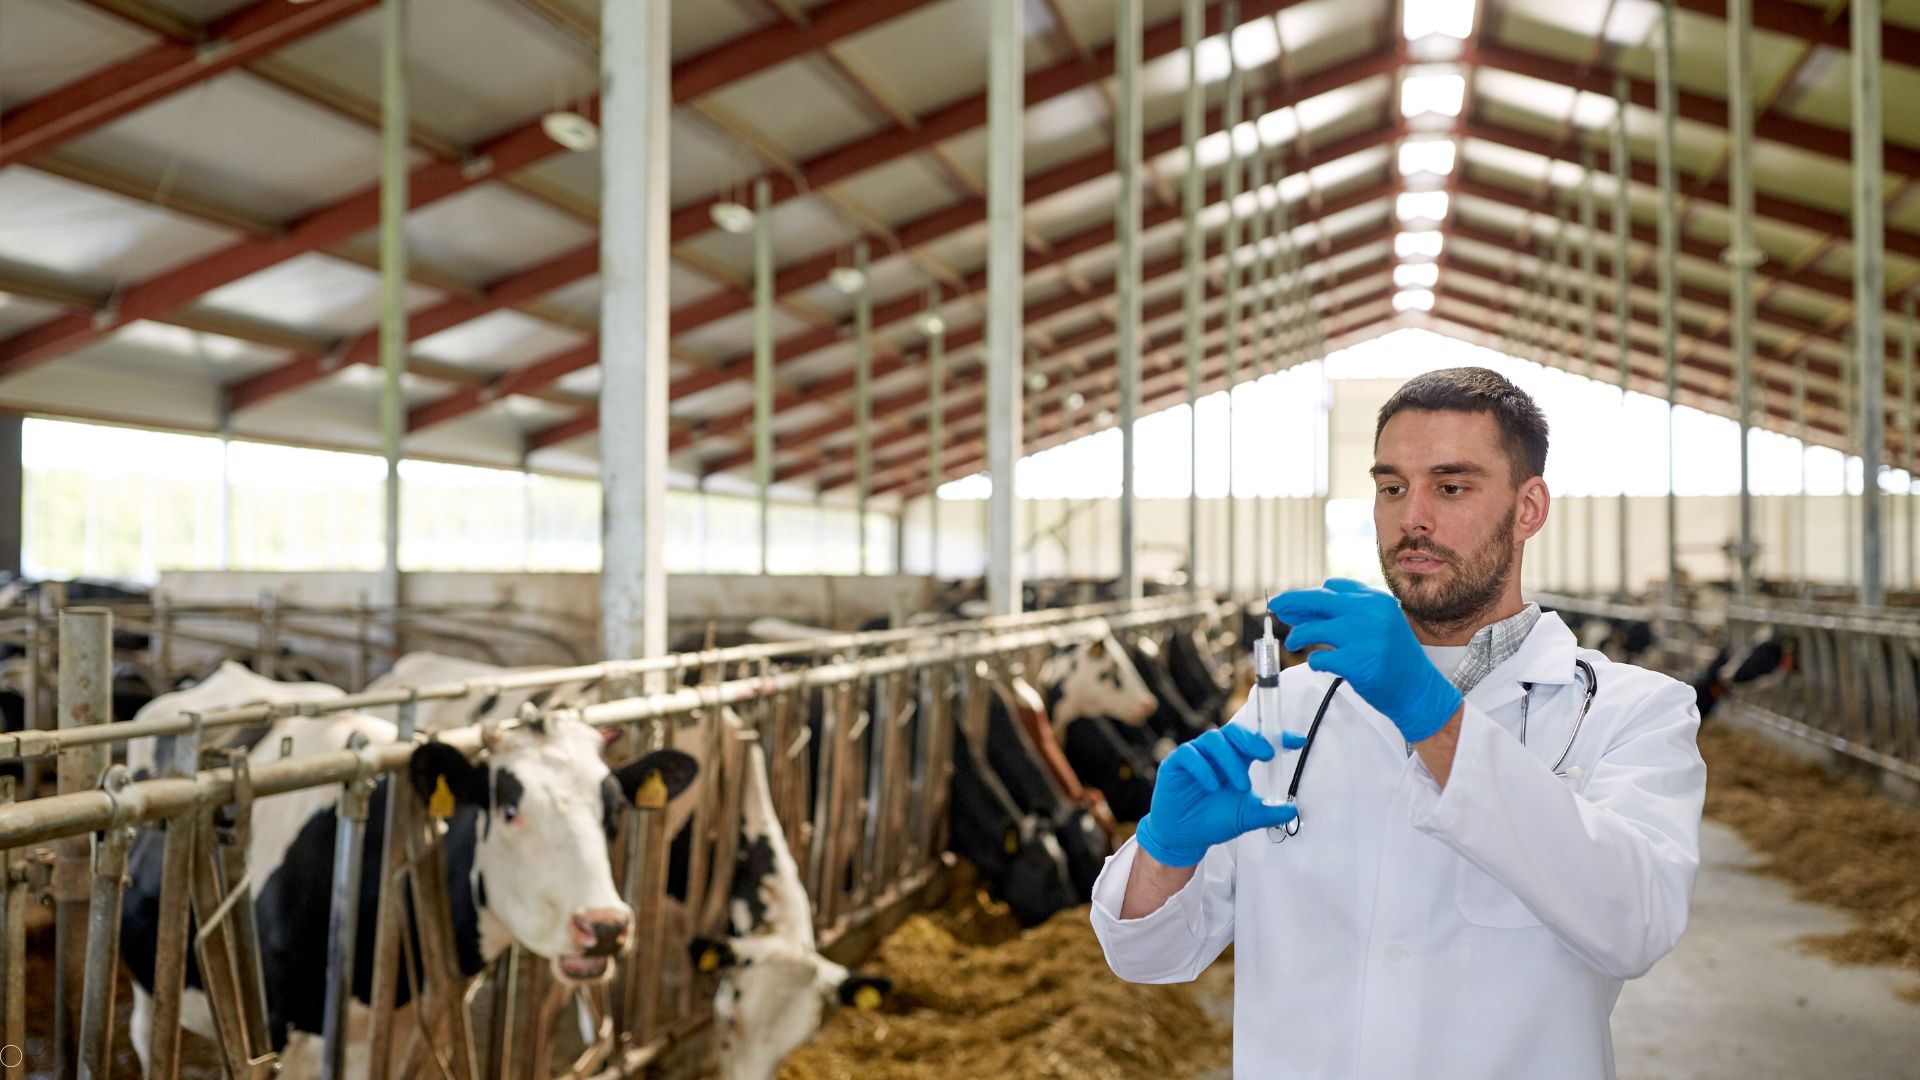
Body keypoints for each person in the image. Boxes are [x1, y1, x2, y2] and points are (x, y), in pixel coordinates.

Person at [1090, 367, 1705, 1079]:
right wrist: (1164, 853)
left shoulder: (1629, 711)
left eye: (1451, 487)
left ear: (1529, 508)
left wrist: (1431, 715)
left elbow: (1637, 924)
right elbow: (1148, 956)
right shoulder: (1292, 708)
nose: (1413, 517)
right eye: (1391, 487)